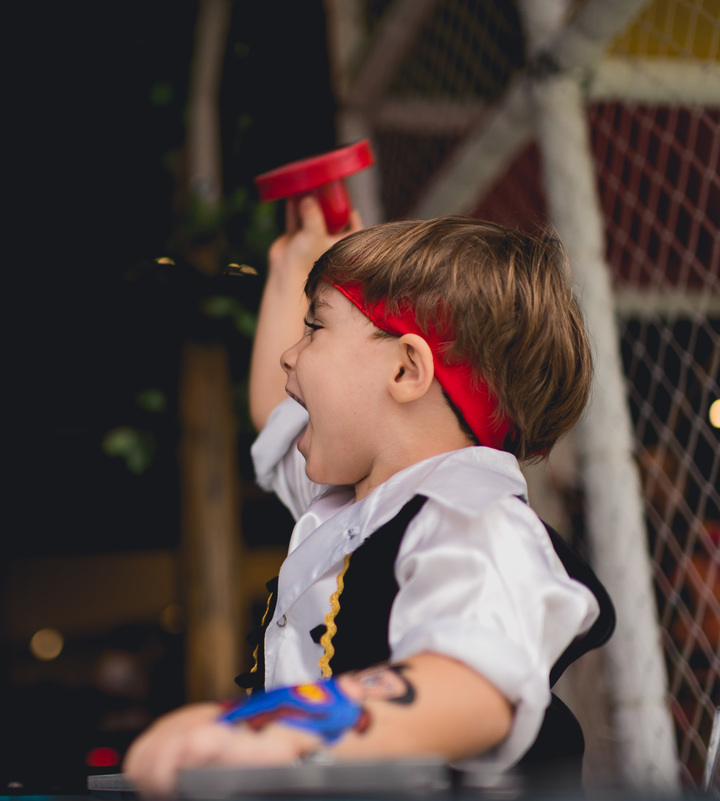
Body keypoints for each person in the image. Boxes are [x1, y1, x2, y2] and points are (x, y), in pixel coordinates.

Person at [122, 197, 615, 795]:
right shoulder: (353, 502)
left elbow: (471, 683)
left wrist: (260, 728)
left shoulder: (473, 519)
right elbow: (271, 411)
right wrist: (291, 266)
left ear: (407, 371)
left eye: (314, 327)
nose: (287, 351)